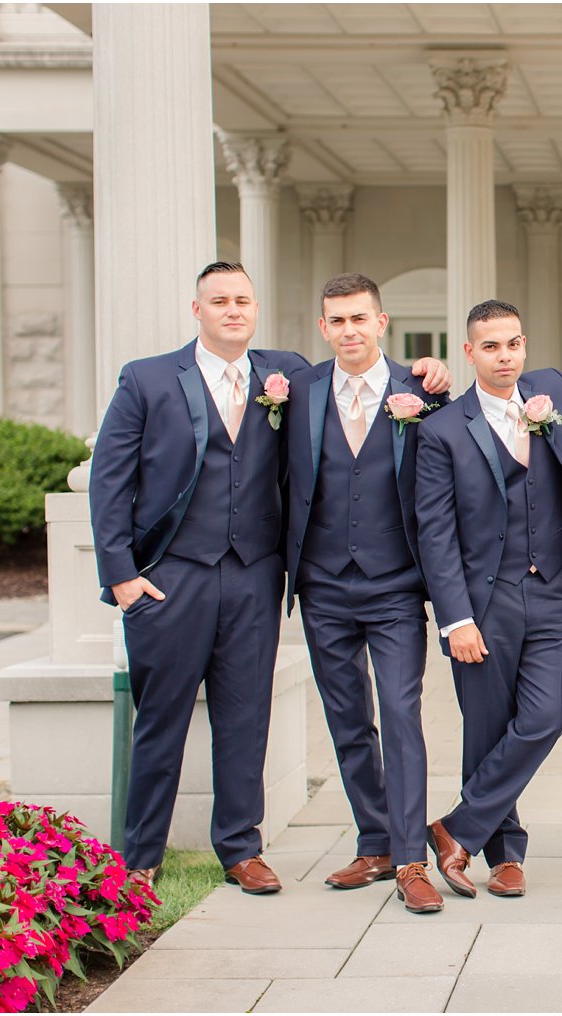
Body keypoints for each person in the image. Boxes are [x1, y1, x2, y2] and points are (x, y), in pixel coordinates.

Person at [89, 261, 448, 894]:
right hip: (170, 580)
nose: (232, 310)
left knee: (245, 718)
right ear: (196, 309)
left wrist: (433, 371)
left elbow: (378, 376)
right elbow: (110, 479)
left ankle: (240, 847)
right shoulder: (148, 379)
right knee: (161, 721)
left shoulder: (280, 376)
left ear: (256, 311)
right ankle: (141, 856)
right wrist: (120, 575)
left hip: (256, 577)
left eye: (243, 301)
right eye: (219, 301)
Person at [414, 299, 562, 899]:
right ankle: (504, 855)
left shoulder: (554, 392)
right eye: (491, 346)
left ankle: (455, 830)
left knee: (545, 717)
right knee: (487, 730)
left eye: (513, 343)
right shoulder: (443, 429)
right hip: (482, 602)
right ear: (469, 352)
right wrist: (455, 620)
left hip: (550, 591)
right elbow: (434, 534)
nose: (505, 357)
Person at [284, 273, 444, 914]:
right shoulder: (294, 391)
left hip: (397, 586)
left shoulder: (423, 390)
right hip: (322, 583)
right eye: (337, 321)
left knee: (402, 716)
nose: (349, 330)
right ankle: (374, 840)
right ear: (323, 329)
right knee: (348, 720)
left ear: (382, 323)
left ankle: (410, 857)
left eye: (360, 318)